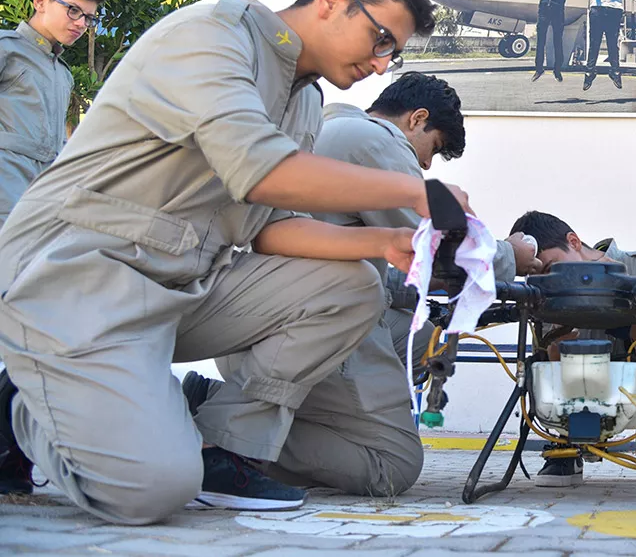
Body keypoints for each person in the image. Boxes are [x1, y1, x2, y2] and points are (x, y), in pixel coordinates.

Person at [0, 0, 472, 525]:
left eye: (392, 55)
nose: (381, 66)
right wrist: (412, 193)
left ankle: (226, 449)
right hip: (77, 280)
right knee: (149, 492)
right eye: (380, 41)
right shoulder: (209, 36)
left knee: (352, 286)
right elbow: (264, 168)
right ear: (332, 0)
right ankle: (25, 405)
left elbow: (272, 230)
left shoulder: (303, 103)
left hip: (180, 290)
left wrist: (381, 245)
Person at [181, 71, 542, 497]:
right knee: (392, 464)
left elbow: (385, 263)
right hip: (309, 324)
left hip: (260, 326)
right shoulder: (376, 140)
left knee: (428, 334)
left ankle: (233, 408)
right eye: (434, 149)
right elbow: (446, 252)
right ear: (416, 118)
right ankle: (214, 430)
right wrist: (511, 256)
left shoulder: (328, 128)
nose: (426, 166)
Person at [508, 211, 636, 487]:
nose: (550, 280)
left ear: (573, 242)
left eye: (553, 267)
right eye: (539, 275)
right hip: (578, 385)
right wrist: (555, 353)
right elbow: (542, 365)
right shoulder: (541, 287)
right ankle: (564, 446)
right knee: (539, 382)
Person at [0, 0, 103, 226]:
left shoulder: (63, 73)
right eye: (73, 10)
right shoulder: (6, 49)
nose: (81, 23)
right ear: (41, 2)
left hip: (40, 200)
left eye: (89, 18)